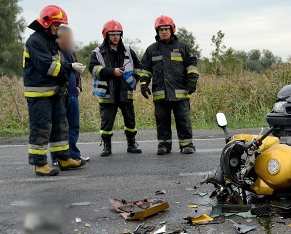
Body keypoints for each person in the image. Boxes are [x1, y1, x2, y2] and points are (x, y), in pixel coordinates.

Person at [23, 5, 85, 176]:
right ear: (46, 23)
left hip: (54, 92)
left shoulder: (49, 40)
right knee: (42, 127)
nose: (58, 28)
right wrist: (70, 67)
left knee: (60, 125)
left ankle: (63, 158)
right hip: (39, 93)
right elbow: (47, 67)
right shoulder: (35, 41)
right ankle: (40, 164)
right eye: (56, 24)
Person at [138, 16, 199, 155]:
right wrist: (143, 84)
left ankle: (186, 144)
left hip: (181, 93)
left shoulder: (183, 48)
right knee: (162, 120)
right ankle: (164, 145)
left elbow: (191, 66)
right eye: (161, 29)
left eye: (166, 29)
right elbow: (145, 69)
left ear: (172, 30)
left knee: (183, 119)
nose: (164, 32)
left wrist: (192, 81)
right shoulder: (151, 50)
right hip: (160, 93)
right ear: (157, 31)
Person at [89, 20, 142, 156]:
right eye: (112, 34)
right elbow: (93, 69)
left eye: (118, 34)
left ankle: (131, 144)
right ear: (106, 35)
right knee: (106, 122)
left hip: (125, 92)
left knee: (130, 120)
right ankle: (107, 146)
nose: (115, 37)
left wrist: (135, 79)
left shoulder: (128, 51)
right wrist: (111, 72)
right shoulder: (98, 52)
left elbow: (138, 67)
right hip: (107, 93)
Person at [56, 25, 87, 163]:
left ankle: (73, 154)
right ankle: (58, 157)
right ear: (59, 37)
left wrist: (79, 86)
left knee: (74, 126)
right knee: (60, 127)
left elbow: (75, 71)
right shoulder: (54, 52)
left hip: (73, 93)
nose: (70, 40)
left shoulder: (71, 52)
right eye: (67, 37)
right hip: (60, 94)